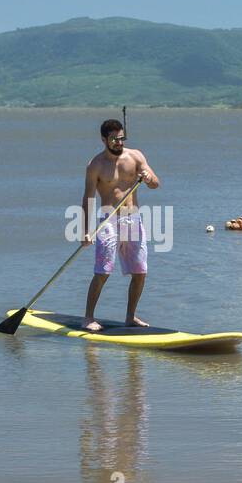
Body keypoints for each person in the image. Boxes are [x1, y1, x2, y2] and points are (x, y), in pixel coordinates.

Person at [81, 118, 160, 331]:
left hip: (134, 219)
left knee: (140, 271)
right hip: (108, 220)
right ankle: (88, 318)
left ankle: (130, 317)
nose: (119, 142)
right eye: (114, 139)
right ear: (104, 139)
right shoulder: (95, 165)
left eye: (121, 138)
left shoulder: (135, 156)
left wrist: (148, 177)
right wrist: (85, 230)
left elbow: (155, 183)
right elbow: (87, 197)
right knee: (103, 271)